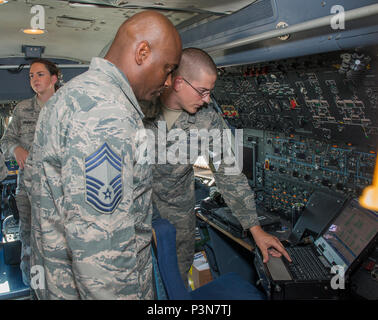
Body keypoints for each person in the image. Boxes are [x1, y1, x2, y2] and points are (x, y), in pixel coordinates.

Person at [26, 11, 181, 300]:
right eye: (168, 68)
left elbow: (33, 185)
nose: (169, 81)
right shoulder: (107, 114)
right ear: (143, 52)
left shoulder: (66, 97)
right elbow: (102, 255)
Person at [143, 48, 291, 284]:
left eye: (210, 92)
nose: (207, 99)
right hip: (135, 215)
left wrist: (256, 229)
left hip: (177, 217)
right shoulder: (138, 106)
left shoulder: (208, 119)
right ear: (179, 82)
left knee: (176, 282)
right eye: (202, 91)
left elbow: (228, 173)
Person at [0, 58, 61, 286]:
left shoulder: (68, 107)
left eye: (40, 75)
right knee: (30, 240)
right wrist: (16, 149)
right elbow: (7, 139)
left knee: (59, 239)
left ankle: (59, 286)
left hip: (61, 190)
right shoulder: (22, 108)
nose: (34, 79)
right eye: (31, 76)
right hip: (28, 189)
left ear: (54, 78)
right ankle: (33, 288)